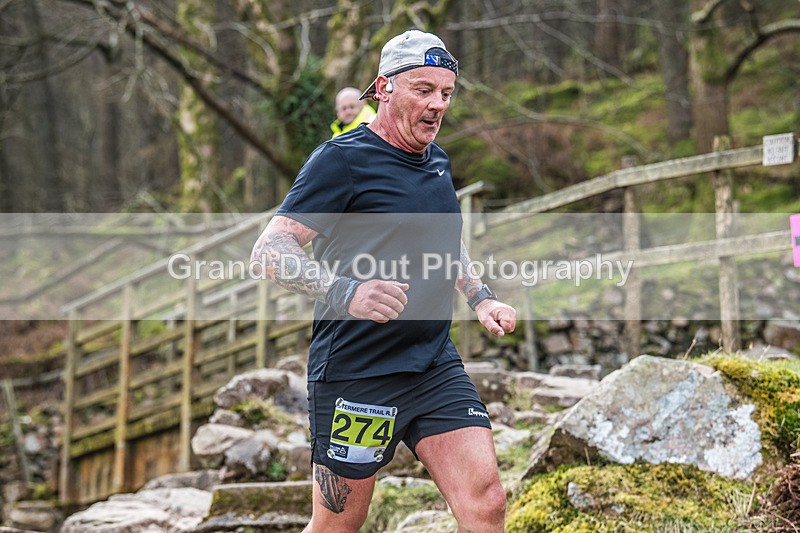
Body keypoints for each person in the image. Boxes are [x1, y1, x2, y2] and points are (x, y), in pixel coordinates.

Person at [251, 29, 515, 532]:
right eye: (423, 89)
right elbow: (269, 250)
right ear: (384, 88)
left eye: (446, 92)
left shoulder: (436, 161)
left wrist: (480, 297)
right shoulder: (342, 160)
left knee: (486, 503)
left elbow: (443, 242)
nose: (437, 104)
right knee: (338, 526)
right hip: (359, 373)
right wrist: (346, 291)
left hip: (432, 363)